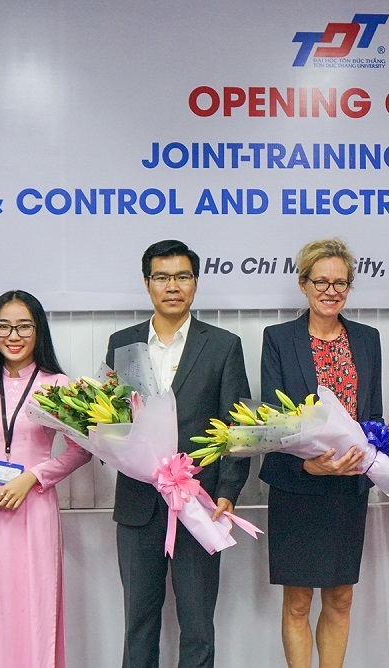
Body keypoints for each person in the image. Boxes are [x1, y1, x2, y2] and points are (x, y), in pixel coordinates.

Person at [105, 239, 251, 668]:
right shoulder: (123, 342)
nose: (173, 286)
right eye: (163, 277)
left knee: (198, 625)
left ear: (196, 283)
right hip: (137, 505)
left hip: (199, 503)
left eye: (182, 277)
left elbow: (236, 427)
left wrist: (228, 491)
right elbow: (108, 418)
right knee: (138, 623)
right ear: (148, 283)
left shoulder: (223, 345)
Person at [259, 238, 383, 668]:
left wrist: (363, 457)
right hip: (298, 486)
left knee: (342, 597)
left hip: (348, 486)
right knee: (297, 601)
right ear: (303, 284)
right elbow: (273, 418)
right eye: (321, 282)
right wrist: (309, 464)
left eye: (340, 283)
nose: (331, 291)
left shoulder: (367, 340)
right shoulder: (278, 338)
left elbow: (373, 416)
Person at [0, 290, 92, 668]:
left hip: (33, 509)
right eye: (3, 326)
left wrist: (33, 477)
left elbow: (80, 449)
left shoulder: (59, 385)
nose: (13, 336)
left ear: (38, 331)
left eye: (23, 326)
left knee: (35, 602)